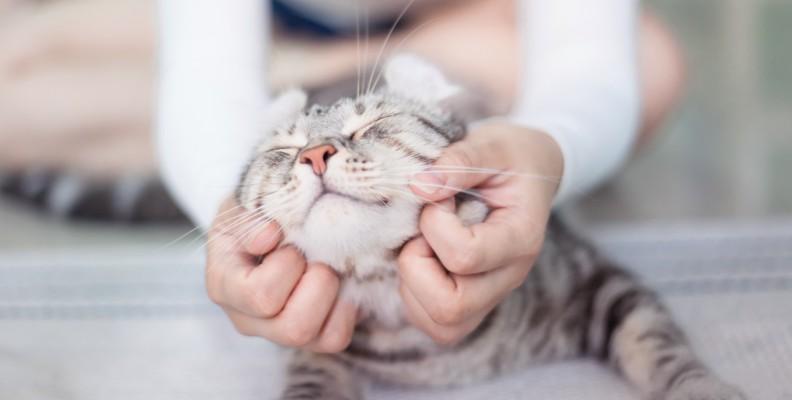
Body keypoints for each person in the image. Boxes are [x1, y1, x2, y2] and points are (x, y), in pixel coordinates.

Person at [161, 0, 685, 352]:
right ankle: (325, 68)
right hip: (290, 25)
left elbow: (587, 57)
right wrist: (228, 204)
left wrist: (548, 149)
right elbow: (205, 73)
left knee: (654, 61)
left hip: (469, 23)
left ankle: (312, 74)